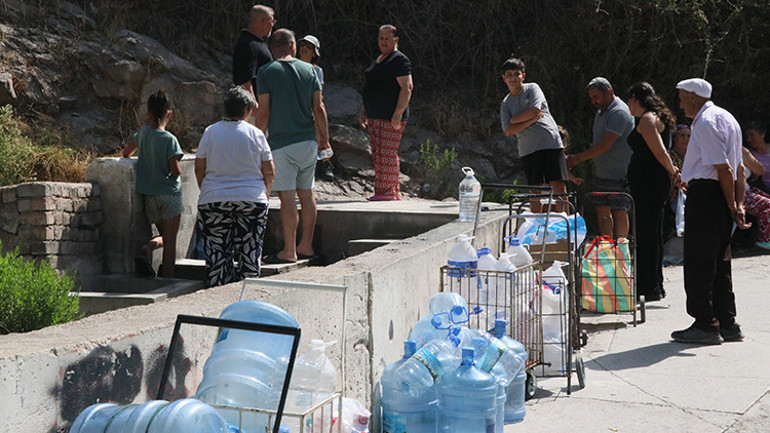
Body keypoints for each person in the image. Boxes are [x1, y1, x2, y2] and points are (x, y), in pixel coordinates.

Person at [671, 78, 749, 345]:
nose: (680, 104)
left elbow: (724, 168)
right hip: (719, 194)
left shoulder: (705, 122)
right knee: (719, 260)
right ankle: (726, 322)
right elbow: (738, 169)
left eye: (682, 97)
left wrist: (732, 204)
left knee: (699, 262)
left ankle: (705, 323)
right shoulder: (727, 118)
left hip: (707, 197)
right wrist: (738, 204)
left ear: (693, 96)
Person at [256, 29, 331, 264]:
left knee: (287, 197)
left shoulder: (266, 72)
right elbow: (318, 108)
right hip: (308, 142)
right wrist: (324, 140)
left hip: (281, 144)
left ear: (272, 49)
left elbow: (264, 111)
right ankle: (306, 245)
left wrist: (258, 141)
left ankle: (289, 251)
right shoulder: (310, 70)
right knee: (307, 194)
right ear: (292, 46)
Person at [195, 87, 274, 287]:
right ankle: (246, 302)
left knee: (217, 255)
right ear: (247, 108)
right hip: (252, 198)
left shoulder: (210, 132)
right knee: (250, 251)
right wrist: (264, 195)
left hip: (213, 199)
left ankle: (218, 301)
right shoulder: (256, 134)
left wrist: (206, 190)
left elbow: (199, 167)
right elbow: (269, 171)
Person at [625, 82, 680, 302]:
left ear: (635, 99)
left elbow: (660, 152)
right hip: (649, 183)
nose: (628, 103)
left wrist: (673, 172)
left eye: (629, 99)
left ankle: (648, 286)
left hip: (649, 184)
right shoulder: (653, 117)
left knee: (647, 235)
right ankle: (652, 283)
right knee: (650, 233)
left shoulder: (648, 119)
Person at [122, 90, 183, 279]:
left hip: (149, 195)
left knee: (165, 234)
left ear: (148, 114)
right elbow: (175, 170)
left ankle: (148, 247)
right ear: (169, 114)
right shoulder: (170, 139)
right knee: (171, 240)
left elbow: (126, 153)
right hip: (169, 194)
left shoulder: (142, 134)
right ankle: (168, 280)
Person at [499, 58, 569, 213]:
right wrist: (529, 121)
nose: (513, 78)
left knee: (558, 185)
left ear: (523, 76)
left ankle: (566, 226)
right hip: (528, 149)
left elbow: (535, 110)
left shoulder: (532, 88)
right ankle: (536, 226)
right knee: (535, 189)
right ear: (503, 78)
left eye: (516, 74)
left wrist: (515, 120)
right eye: (509, 75)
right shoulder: (505, 103)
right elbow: (508, 130)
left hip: (550, 142)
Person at [567, 77, 635, 238]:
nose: (593, 101)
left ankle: (621, 249)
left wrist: (576, 159)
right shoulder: (601, 111)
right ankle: (607, 248)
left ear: (609, 92)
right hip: (602, 173)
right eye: (591, 98)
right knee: (602, 210)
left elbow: (605, 144)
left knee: (620, 210)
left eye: (596, 97)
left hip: (620, 174)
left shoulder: (619, 112)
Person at [359, 24, 413, 201]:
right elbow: (372, 86)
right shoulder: (380, 58)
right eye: (380, 38)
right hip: (375, 114)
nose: (383, 41)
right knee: (378, 153)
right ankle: (389, 191)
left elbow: (407, 88)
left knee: (387, 154)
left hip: (390, 116)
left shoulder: (399, 60)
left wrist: (398, 113)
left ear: (395, 40)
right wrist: (364, 109)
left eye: (387, 38)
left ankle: (387, 192)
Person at [297, 34, 334, 182]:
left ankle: (323, 162)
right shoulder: (290, 66)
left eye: (309, 46)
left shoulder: (317, 71)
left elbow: (318, 95)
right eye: (303, 45)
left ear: (314, 52)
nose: (305, 48)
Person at [232, 5, 275, 101]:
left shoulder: (256, 43)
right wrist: (255, 108)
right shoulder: (248, 45)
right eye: (272, 21)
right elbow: (245, 80)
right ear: (263, 21)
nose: (273, 25)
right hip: (253, 109)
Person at [742, 146, 770, 251]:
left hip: (748, 189)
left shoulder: (740, 150)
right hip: (738, 194)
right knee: (768, 204)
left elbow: (759, 170)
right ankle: (765, 239)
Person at [744, 121, 770, 192]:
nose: (749, 139)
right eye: (747, 136)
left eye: (752, 135)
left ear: (762, 135)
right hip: (763, 191)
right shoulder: (749, 155)